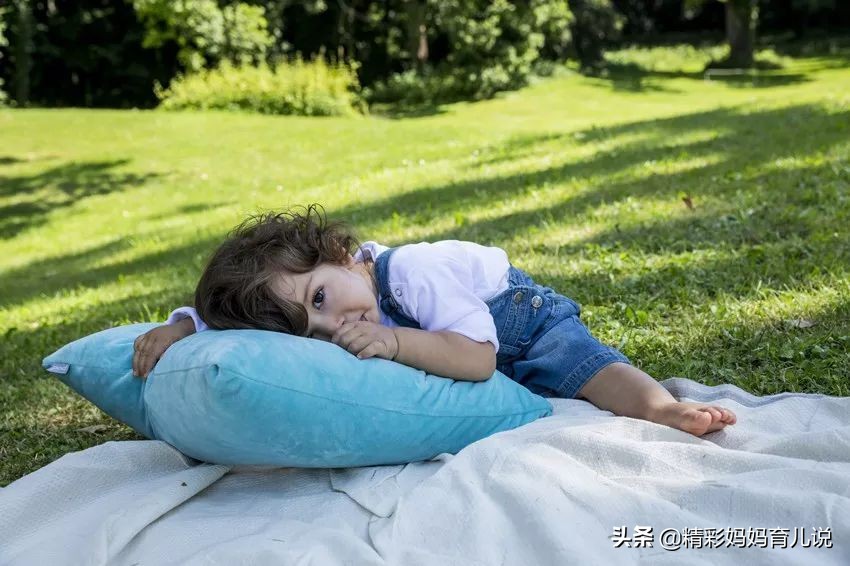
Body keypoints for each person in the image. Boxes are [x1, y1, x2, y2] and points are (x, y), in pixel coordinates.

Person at [133, 204, 737, 436]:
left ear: (342, 256)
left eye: (321, 300)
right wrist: (183, 327)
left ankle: (661, 407)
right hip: (447, 339)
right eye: (313, 331)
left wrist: (394, 342)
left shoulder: (412, 273)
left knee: (585, 368)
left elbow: (477, 358)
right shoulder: (332, 297)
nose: (332, 325)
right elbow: (250, 332)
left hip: (516, 321)